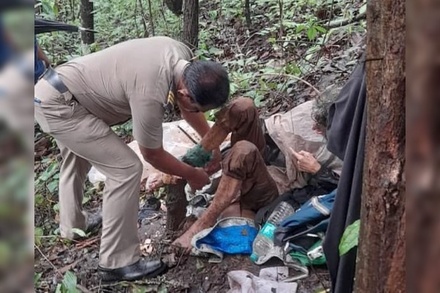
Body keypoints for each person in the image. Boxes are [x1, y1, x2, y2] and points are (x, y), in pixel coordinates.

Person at [34, 36, 230, 282]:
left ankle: (72, 225)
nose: (198, 114)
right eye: (199, 109)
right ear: (185, 92)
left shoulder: (180, 55)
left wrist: (210, 144)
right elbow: (153, 154)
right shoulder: (150, 90)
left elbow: (186, 107)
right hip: (60, 105)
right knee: (125, 169)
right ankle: (117, 263)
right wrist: (191, 174)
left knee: (77, 157)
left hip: (59, 90)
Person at [168, 91, 343, 251]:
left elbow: (340, 194)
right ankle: (195, 159)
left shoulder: (350, 147)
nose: (314, 128)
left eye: (320, 126)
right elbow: (275, 127)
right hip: (268, 152)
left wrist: (317, 169)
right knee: (243, 106)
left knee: (244, 151)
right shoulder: (323, 108)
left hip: (278, 184)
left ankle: (202, 223)